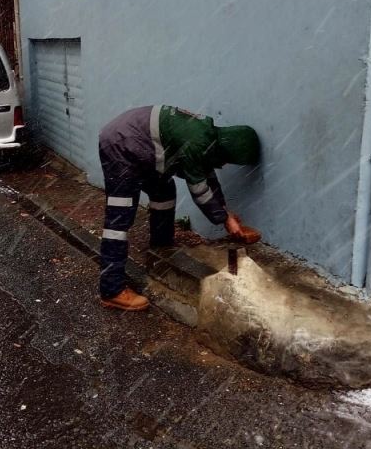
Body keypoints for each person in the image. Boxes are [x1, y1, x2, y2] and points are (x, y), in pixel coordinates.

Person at [98, 105, 262, 311]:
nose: (227, 166)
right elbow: (200, 189)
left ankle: (162, 248)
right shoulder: (197, 143)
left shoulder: (206, 138)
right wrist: (223, 219)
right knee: (119, 216)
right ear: (229, 152)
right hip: (121, 145)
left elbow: (209, 178)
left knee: (164, 192)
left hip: (139, 148)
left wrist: (224, 213)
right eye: (230, 162)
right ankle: (111, 290)